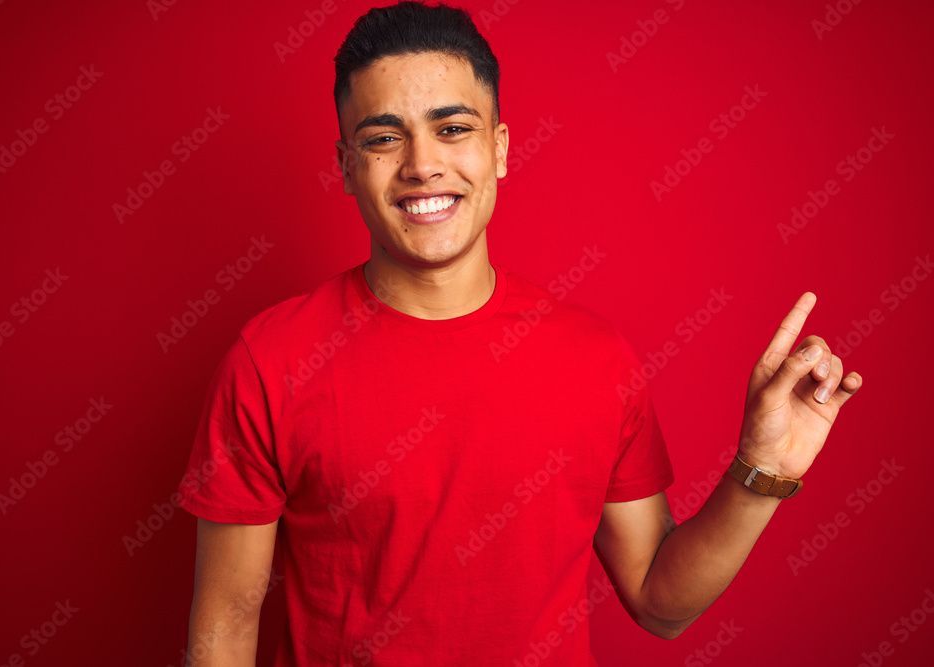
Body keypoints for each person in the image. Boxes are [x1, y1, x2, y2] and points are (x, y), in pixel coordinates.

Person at [177, 2, 862, 665]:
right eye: (384, 138)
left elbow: (659, 601)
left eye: (452, 128)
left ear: (500, 148)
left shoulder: (595, 358)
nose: (421, 164)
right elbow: (225, 632)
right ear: (346, 164)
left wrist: (762, 469)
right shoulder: (270, 359)